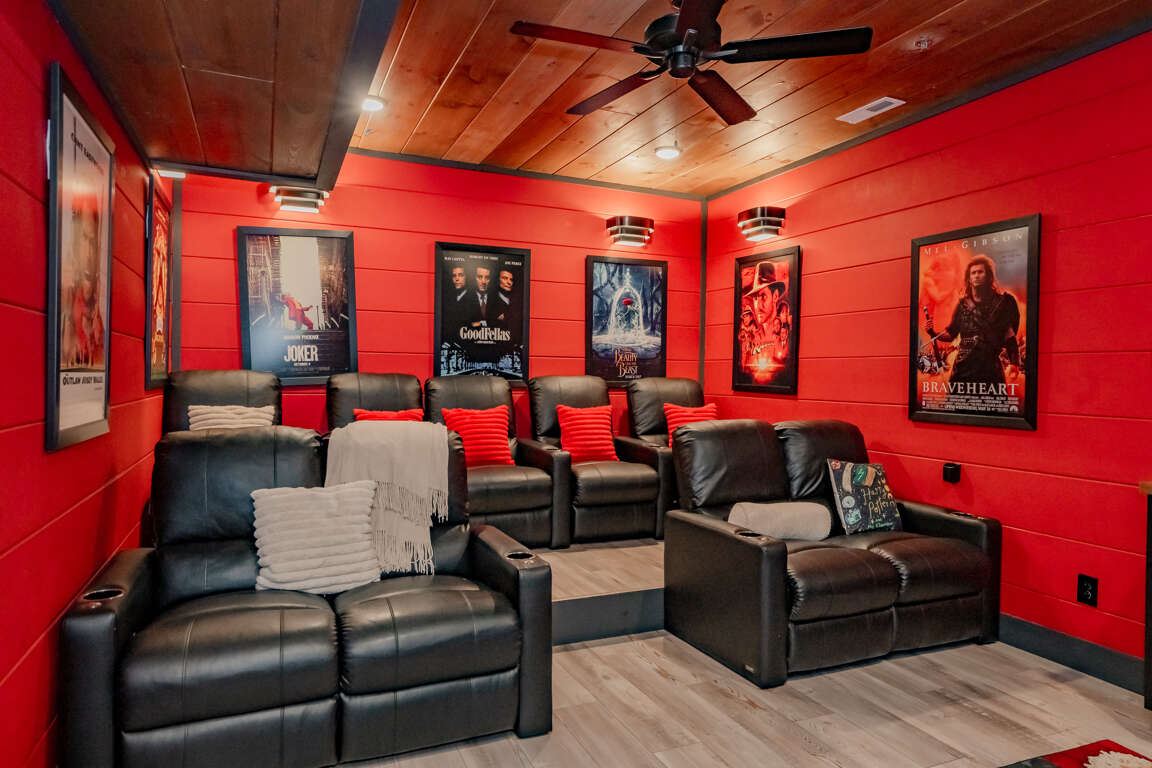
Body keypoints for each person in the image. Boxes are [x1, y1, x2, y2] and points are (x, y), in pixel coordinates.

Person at [926, 255, 1020, 385]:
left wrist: (1014, 363)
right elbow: (951, 334)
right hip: (962, 369)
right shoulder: (962, 305)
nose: (976, 275)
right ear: (969, 278)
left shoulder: (1001, 303)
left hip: (990, 368)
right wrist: (933, 332)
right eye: (973, 273)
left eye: (980, 272)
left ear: (988, 276)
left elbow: (1009, 335)